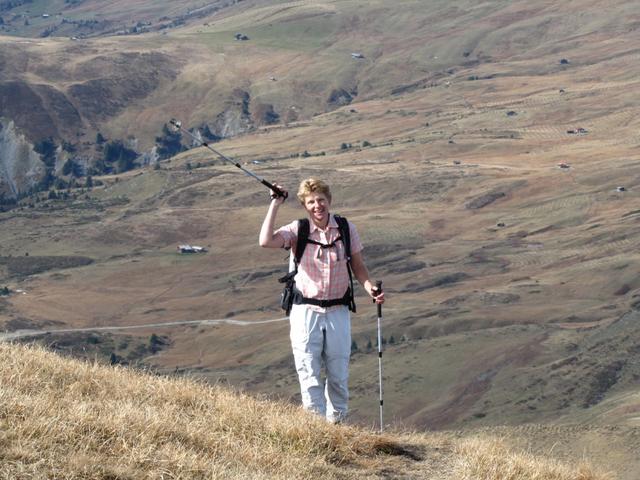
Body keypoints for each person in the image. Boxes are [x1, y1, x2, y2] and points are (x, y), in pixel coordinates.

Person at [259, 178, 384, 423]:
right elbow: (265, 241)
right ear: (304, 205)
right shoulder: (298, 230)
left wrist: (369, 287)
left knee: (338, 374)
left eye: (321, 200)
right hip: (306, 310)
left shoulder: (346, 228)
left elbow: (358, 266)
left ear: (329, 200)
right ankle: (315, 427)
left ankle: (338, 426)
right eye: (311, 202)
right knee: (309, 372)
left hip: (338, 309)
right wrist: (275, 203)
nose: (317, 206)